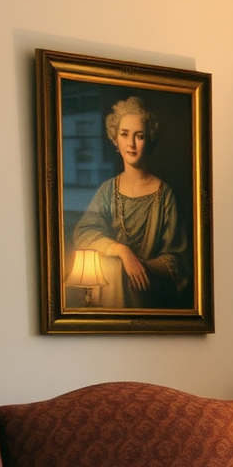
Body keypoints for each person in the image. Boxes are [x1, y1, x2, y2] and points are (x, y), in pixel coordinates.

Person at [72, 95, 191, 308]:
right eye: (125, 134)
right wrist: (122, 252)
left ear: (150, 139)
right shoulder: (108, 190)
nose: (131, 144)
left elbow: (178, 261)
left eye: (140, 136)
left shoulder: (165, 195)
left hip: (150, 296)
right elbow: (84, 233)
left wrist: (139, 266)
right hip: (113, 295)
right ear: (115, 139)